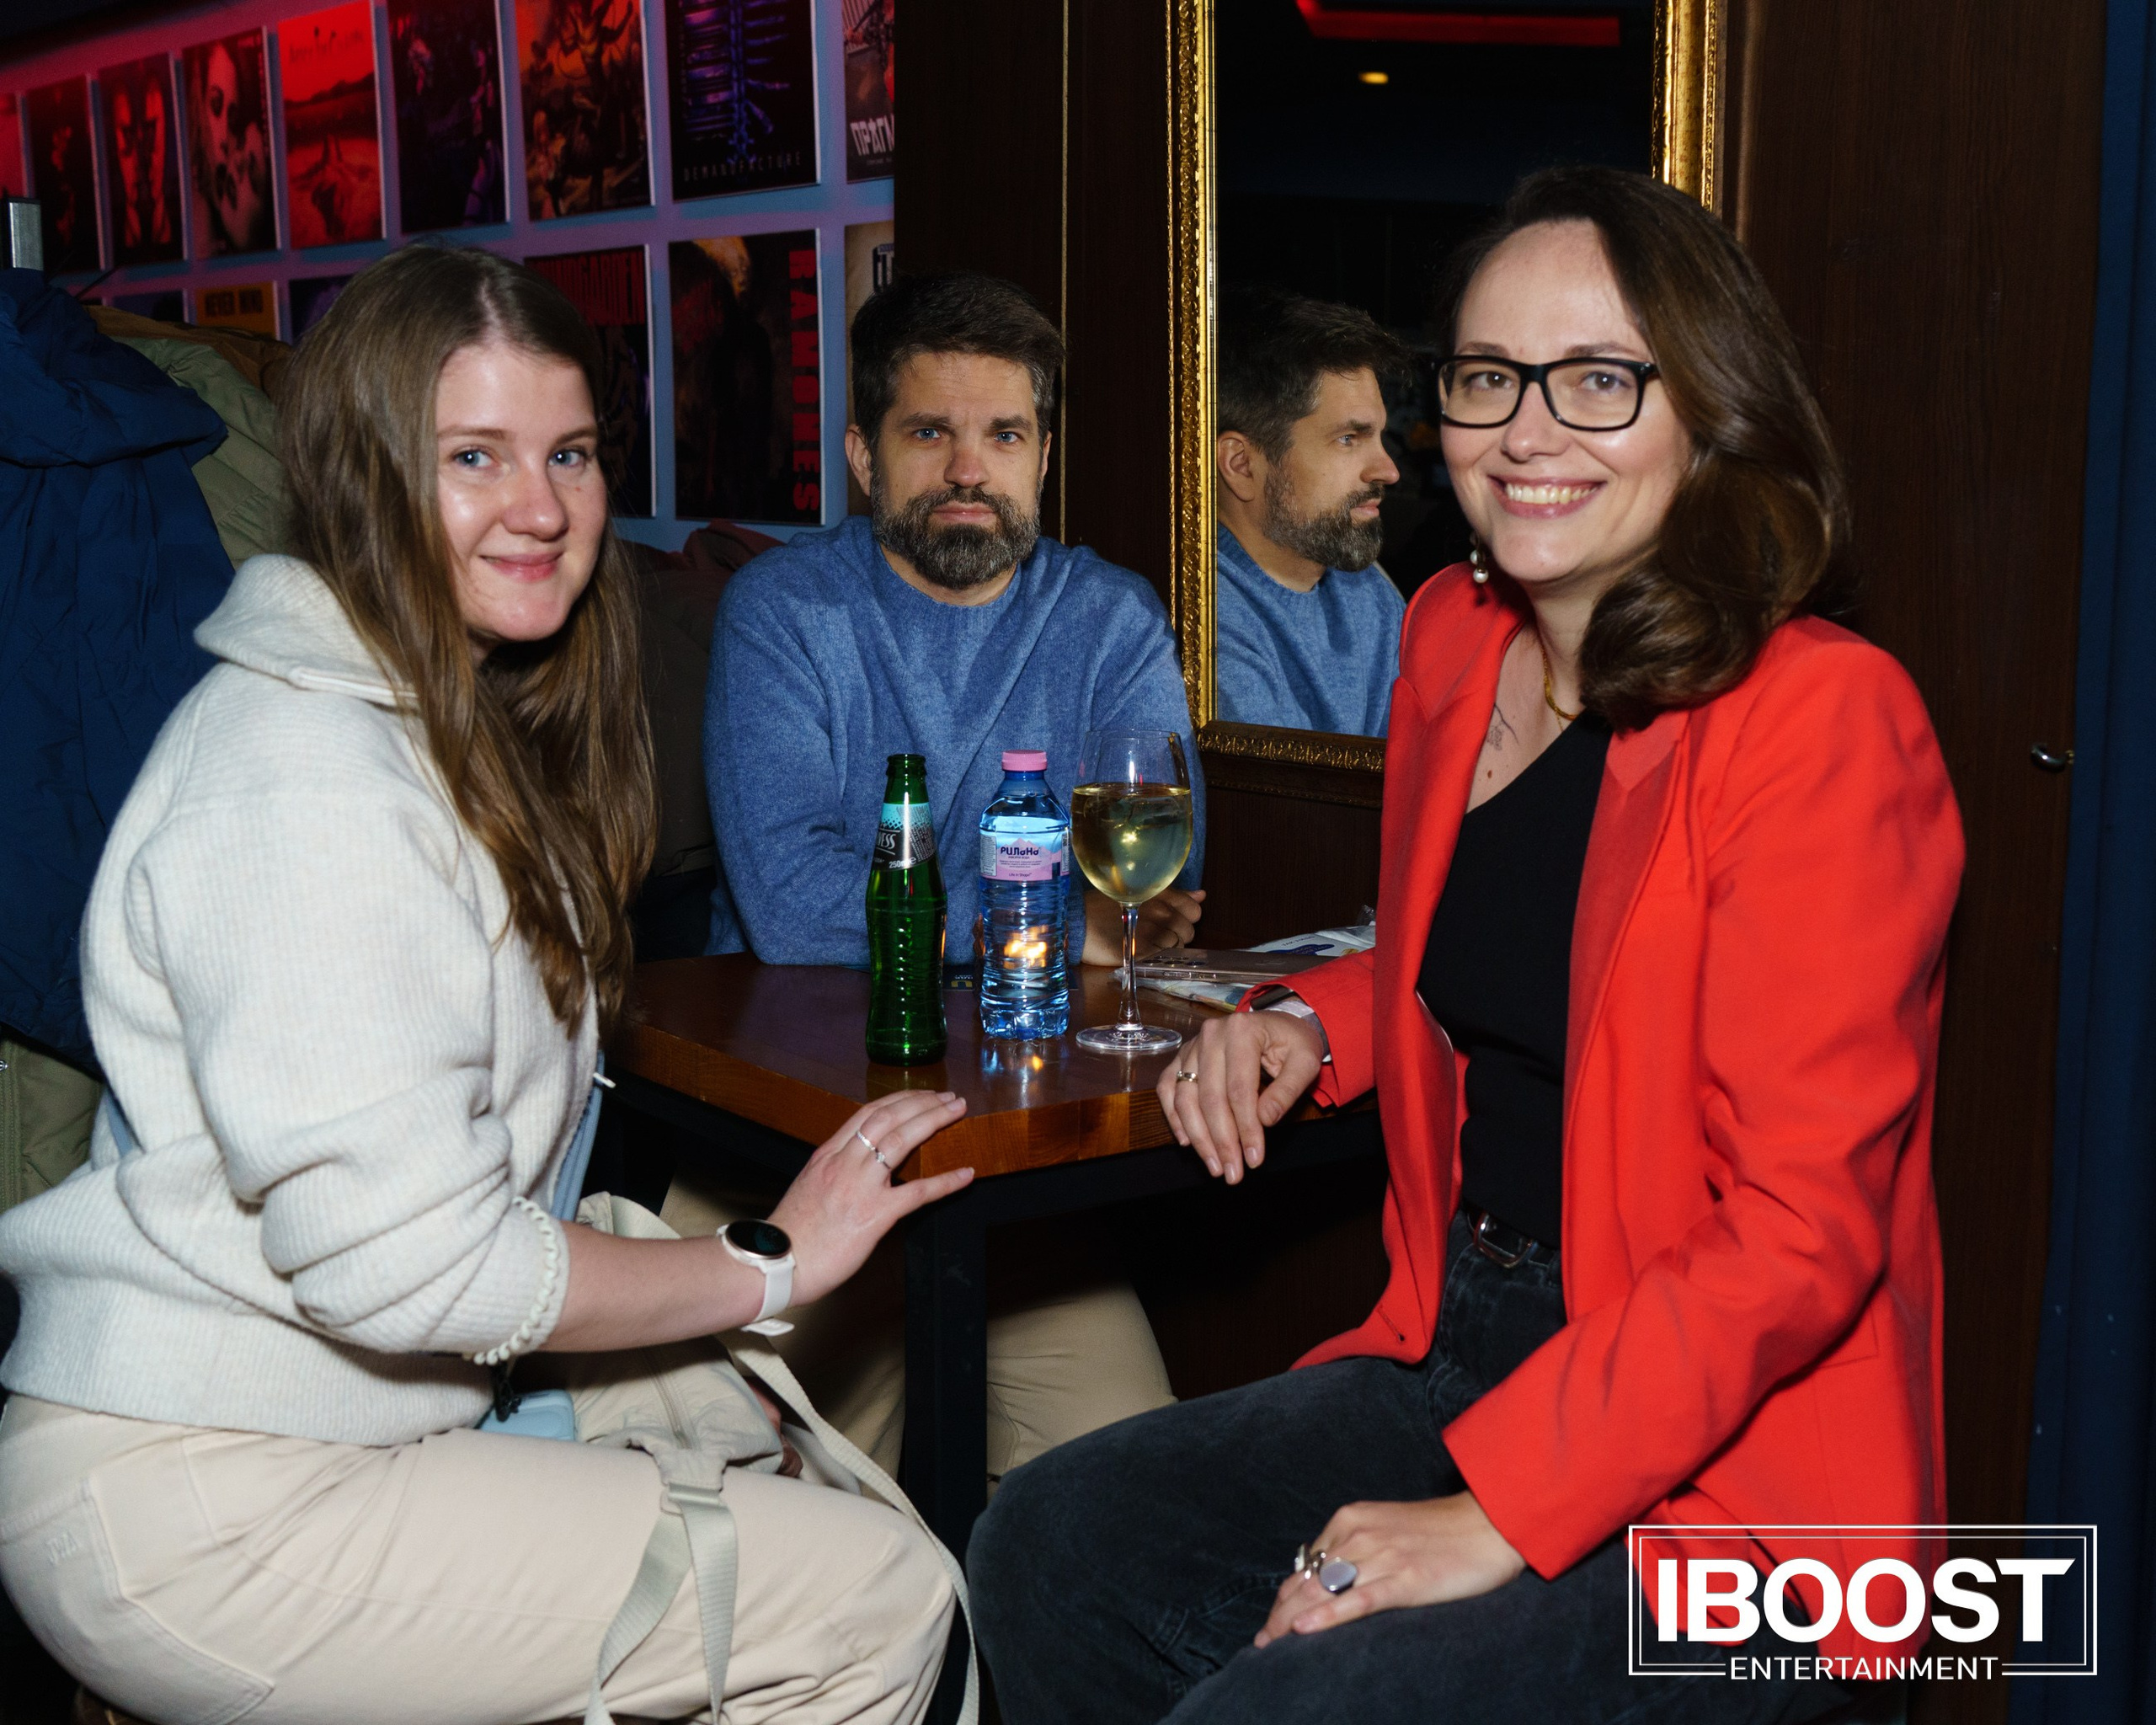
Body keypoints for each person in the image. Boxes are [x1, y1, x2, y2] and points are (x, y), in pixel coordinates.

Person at [970, 166, 1964, 1723]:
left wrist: (1495, 1514)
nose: (1528, 430)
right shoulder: (1454, 633)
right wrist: (1319, 1019)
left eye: (1599, 379)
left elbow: (1800, 1228)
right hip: (1469, 1333)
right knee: (1050, 1542)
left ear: (1710, 409)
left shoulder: (1820, 716)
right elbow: (1515, 951)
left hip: (1744, 1485)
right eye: (1491, 377)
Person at [0, 246, 971, 1725]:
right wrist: (765, 1267)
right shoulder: (303, 773)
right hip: (203, 1495)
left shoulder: (429, 717)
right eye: (476, 455)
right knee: (881, 1601)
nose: (543, 505)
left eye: (570, 451)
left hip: (307, 1425)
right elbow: (410, 1265)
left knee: (781, 1451)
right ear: (363, 473)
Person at [684, 270, 1197, 1487]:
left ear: (1044, 456)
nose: (971, 468)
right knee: (782, 1522)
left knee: (1125, 1492)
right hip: (788, 1147)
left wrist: (1057, 922)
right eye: (930, 433)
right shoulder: (783, 612)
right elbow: (795, 909)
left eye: (1004, 435)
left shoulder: (1110, 619)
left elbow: (1165, 873)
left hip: (1015, 1172)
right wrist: (1054, 922)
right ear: (864, 455)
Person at [1213, 287, 1412, 736]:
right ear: (1241, 465)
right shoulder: (1205, 615)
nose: (1388, 470)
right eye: (1349, 439)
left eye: (1380, 437)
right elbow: (1281, 803)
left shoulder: (1369, 593)